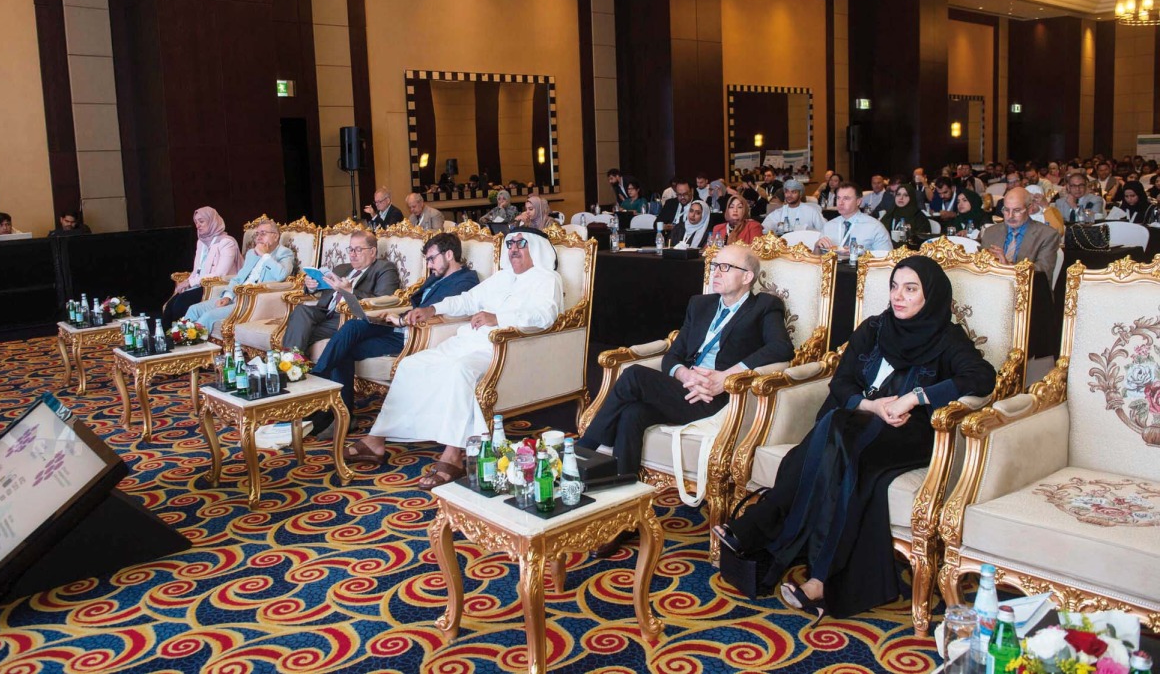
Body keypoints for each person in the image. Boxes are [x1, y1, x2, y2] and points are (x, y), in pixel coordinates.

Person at [714, 256, 996, 621]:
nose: (899, 296)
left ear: (932, 296)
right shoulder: (875, 328)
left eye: (911, 289)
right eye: (895, 287)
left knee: (834, 430)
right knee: (842, 452)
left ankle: (762, 528)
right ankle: (819, 580)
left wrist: (916, 397)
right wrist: (871, 406)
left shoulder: (947, 338)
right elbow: (842, 381)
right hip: (855, 424)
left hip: (905, 435)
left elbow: (982, 377)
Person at [579, 243, 793, 555]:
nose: (715, 272)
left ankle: (581, 452)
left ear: (747, 277)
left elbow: (781, 349)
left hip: (719, 398)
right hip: (687, 388)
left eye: (724, 267)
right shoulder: (701, 304)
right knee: (632, 415)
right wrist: (684, 375)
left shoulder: (764, 307)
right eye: (715, 266)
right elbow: (674, 356)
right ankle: (625, 519)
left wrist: (726, 377)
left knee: (634, 376)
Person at [340, 227, 564, 488]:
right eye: (510, 244)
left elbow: (545, 317)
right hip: (468, 341)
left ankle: (453, 454)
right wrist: (433, 308)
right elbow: (467, 300)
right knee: (413, 364)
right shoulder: (502, 278)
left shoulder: (547, 279)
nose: (513, 249)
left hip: (502, 348)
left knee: (459, 370)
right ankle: (376, 440)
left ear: (535, 248)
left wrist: (498, 318)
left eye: (521, 244)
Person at [308, 232, 479, 434]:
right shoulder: (435, 277)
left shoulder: (466, 281)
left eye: (432, 259)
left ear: (449, 255)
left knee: (347, 346)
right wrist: (390, 313)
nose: (429, 265)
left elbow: (440, 309)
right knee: (353, 327)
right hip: (398, 325)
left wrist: (402, 319)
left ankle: (317, 392)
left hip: (415, 335)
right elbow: (414, 302)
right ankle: (341, 414)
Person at [281, 230, 399, 354]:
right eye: (350, 249)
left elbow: (383, 300)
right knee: (301, 310)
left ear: (372, 251)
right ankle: (291, 364)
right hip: (324, 312)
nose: (352, 255)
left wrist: (350, 291)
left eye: (358, 250)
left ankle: (290, 364)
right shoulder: (341, 268)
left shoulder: (384, 269)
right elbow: (324, 288)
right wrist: (311, 286)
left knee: (299, 331)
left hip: (349, 317)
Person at [183, 219, 294, 334]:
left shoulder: (284, 253)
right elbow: (238, 278)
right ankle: (181, 340)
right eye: (257, 234)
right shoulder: (252, 253)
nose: (259, 237)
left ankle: (193, 345)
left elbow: (281, 275)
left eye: (263, 233)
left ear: (275, 236)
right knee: (194, 309)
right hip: (236, 296)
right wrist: (228, 296)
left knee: (208, 316)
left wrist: (265, 256)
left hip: (252, 301)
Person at [162, 206, 243, 327]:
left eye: (201, 221)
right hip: (199, 284)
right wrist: (187, 282)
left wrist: (190, 282)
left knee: (180, 304)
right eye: (196, 222)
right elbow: (197, 270)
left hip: (217, 285)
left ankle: (184, 337)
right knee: (170, 306)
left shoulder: (227, 242)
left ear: (212, 221)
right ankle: (167, 341)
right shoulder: (201, 242)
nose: (198, 225)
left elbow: (220, 274)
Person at [981, 187, 1060, 276]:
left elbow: (1043, 272)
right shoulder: (990, 232)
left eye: (1017, 210)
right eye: (1006, 210)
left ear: (1029, 209)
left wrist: (1008, 266)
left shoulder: (1047, 235)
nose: (1010, 216)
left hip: (1029, 288)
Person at [816, 182, 893, 254]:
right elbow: (816, 259)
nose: (840, 203)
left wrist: (860, 253)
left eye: (846, 198)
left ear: (858, 201)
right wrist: (817, 246)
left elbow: (887, 258)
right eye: (838, 198)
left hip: (863, 267)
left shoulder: (875, 227)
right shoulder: (829, 226)